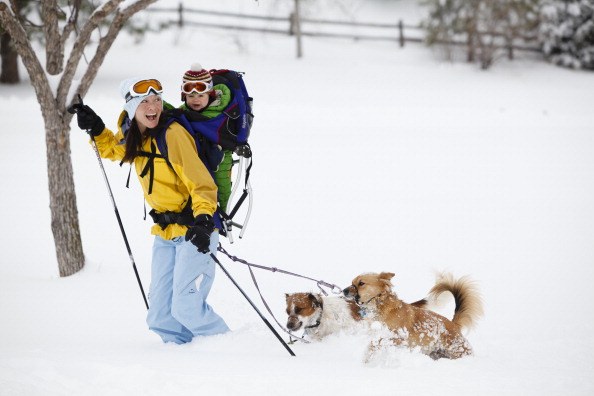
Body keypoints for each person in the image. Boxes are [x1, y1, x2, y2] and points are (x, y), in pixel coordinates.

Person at [69, 77, 230, 344]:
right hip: (165, 232)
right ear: (132, 107)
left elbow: (202, 183)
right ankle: (183, 359)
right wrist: (97, 128)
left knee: (186, 306)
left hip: (196, 229)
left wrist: (203, 220)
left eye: (156, 99)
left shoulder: (173, 134)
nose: (153, 106)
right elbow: (113, 149)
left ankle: (229, 349)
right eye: (144, 101)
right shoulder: (136, 134)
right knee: (160, 317)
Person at [179, 63, 234, 212]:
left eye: (201, 95)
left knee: (221, 188)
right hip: (197, 159)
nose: (195, 100)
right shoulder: (184, 111)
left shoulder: (219, 109)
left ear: (209, 95)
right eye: (191, 96)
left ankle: (223, 214)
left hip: (221, 159)